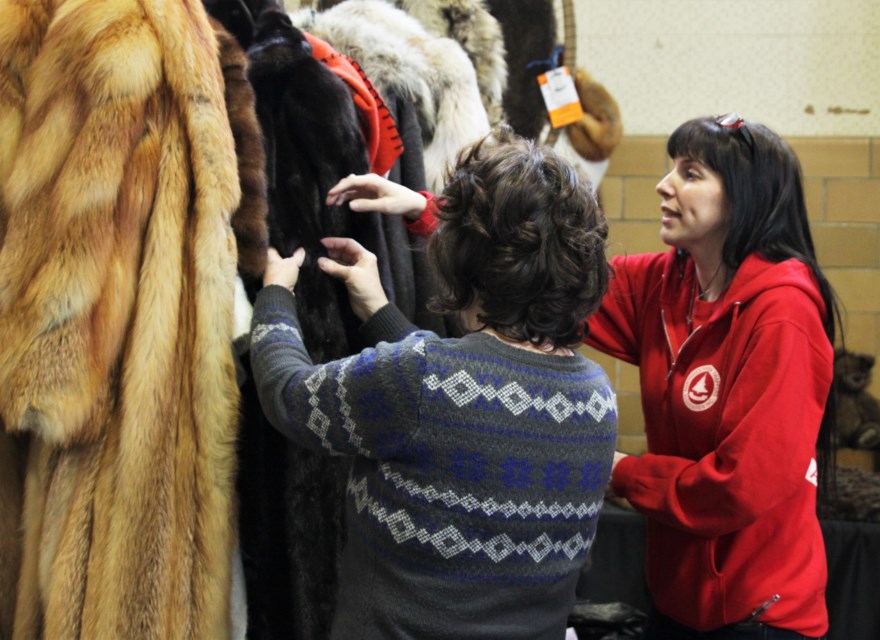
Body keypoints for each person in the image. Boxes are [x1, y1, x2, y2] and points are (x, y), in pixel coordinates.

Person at [344, 114, 838, 639]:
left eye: (691, 173)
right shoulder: (671, 281)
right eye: (673, 167)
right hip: (678, 600)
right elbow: (546, 277)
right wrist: (433, 213)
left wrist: (611, 468)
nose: (664, 185)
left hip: (758, 615)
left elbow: (741, 487)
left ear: (745, 198)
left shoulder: (784, 315)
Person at [251, 125, 618, 639]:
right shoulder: (597, 397)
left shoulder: (421, 379)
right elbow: (465, 399)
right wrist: (379, 311)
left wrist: (275, 296)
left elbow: (289, 394)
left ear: (462, 258)